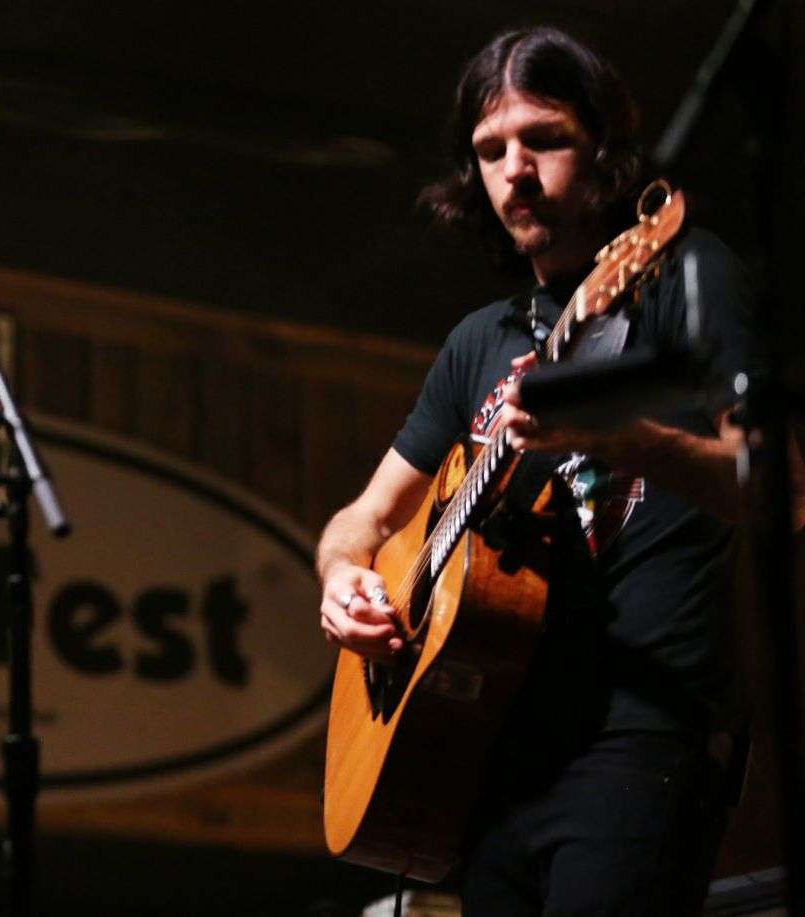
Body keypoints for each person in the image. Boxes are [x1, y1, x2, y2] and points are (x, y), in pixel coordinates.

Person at [315, 26, 785, 914]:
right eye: (491, 150)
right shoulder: (478, 342)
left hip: (638, 737)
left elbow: (781, 488)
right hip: (491, 754)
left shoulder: (686, 276)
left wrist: (631, 441)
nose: (515, 172)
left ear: (605, 150)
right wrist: (343, 578)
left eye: (544, 139)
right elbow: (363, 520)